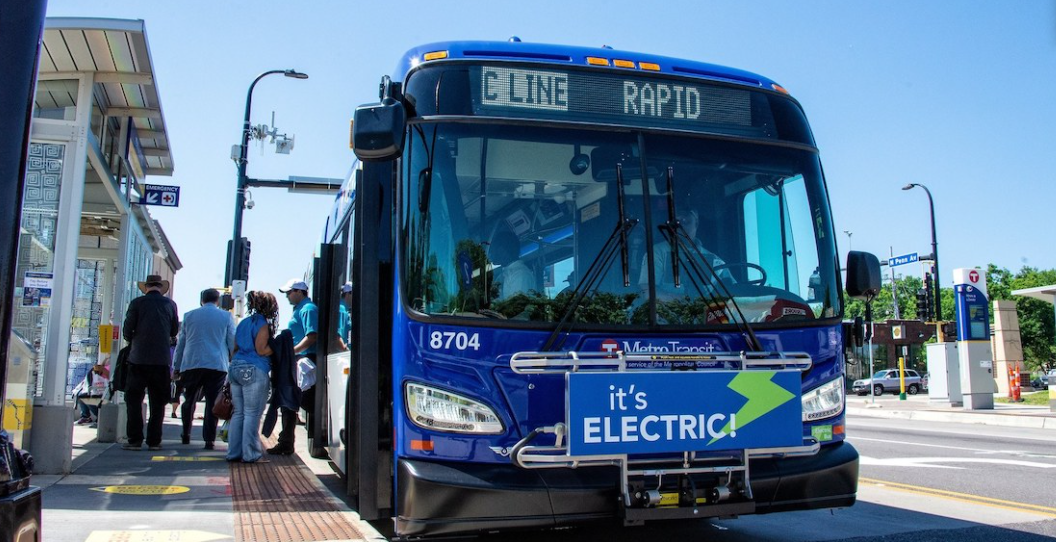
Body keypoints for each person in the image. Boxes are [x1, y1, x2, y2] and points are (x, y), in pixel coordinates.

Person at [121, 274, 179, 451]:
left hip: (138, 359)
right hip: (161, 360)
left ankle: (135, 440)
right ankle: (154, 441)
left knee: (133, 400)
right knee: (158, 402)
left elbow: (127, 329)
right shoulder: (170, 305)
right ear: (160, 287)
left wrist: (133, 340)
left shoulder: (137, 303)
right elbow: (174, 330)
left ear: (146, 287)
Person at [172, 288, 236, 450]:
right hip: (216, 364)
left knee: (189, 400)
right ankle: (209, 439)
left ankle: (186, 433)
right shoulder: (226, 316)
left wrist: (176, 366)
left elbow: (181, 344)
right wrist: (232, 361)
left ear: (201, 300)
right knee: (211, 402)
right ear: (218, 300)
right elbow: (232, 342)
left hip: (191, 363)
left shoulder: (189, 316)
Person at [227, 291, 278, 463]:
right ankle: (251, 454)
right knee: (252, 413)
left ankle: (233, 453)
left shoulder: (243, 322)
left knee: (239, 413)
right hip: (254, 369)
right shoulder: (262, 324)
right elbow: (261, 350)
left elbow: (234, 348)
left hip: (236, 367)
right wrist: (277, 346)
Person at [268, 279, 318, 455]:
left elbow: (311, 336)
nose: (287, 296)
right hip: (298, 360)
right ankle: (286, 442)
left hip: (303, 361)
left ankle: (287, 442)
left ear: (299, 291)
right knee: (289, 402)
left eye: (289, 292)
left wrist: (292, 351)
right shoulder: (301, 309)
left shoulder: (308, 309)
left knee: (299, 401)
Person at [639, 209, 733, 301]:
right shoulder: (657, 252)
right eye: (676, 222)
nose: (680, 226)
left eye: (685, 221)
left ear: (696, 222)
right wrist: (683, 301)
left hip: (705, 313)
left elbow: (733, 292)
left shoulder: (715, 260)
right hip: (666, 313)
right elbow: (647, 291)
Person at [489, 230, 534, 300]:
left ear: (502, 250)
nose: (491, 254)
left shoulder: (520, 275)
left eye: (493, 249)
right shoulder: (504, 274)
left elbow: (516, 308)